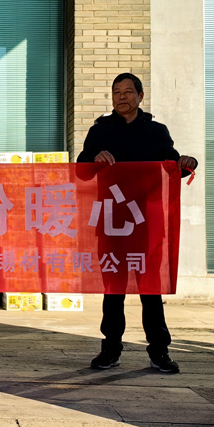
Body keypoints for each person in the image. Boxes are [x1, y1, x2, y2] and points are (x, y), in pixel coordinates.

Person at [77, 72, 196, 374]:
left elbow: (171, 167)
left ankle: (159, 351)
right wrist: (94, 158)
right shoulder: (100, 131)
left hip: (146, 222)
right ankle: (110, 349)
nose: (122, 97)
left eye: (128, 91)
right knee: (113, 290)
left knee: (150, 289)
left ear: (140, 96)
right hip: (112, 221)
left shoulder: (155, 131)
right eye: (116, 92)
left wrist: (186, 164)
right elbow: (80, 171)